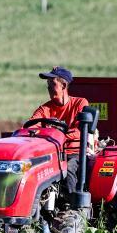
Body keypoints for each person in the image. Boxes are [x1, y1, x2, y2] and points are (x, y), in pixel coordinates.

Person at [32, 65, 93, 195]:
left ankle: (73, 204)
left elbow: (80, 131)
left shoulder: (80, 103)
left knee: (68, 168)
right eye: (48, 84)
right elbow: (30, 127)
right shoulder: (44, 109)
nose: (48, 87)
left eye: (52, 84)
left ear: (64, 86)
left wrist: (56, 135)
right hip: (52, 153)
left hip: (75, 153)